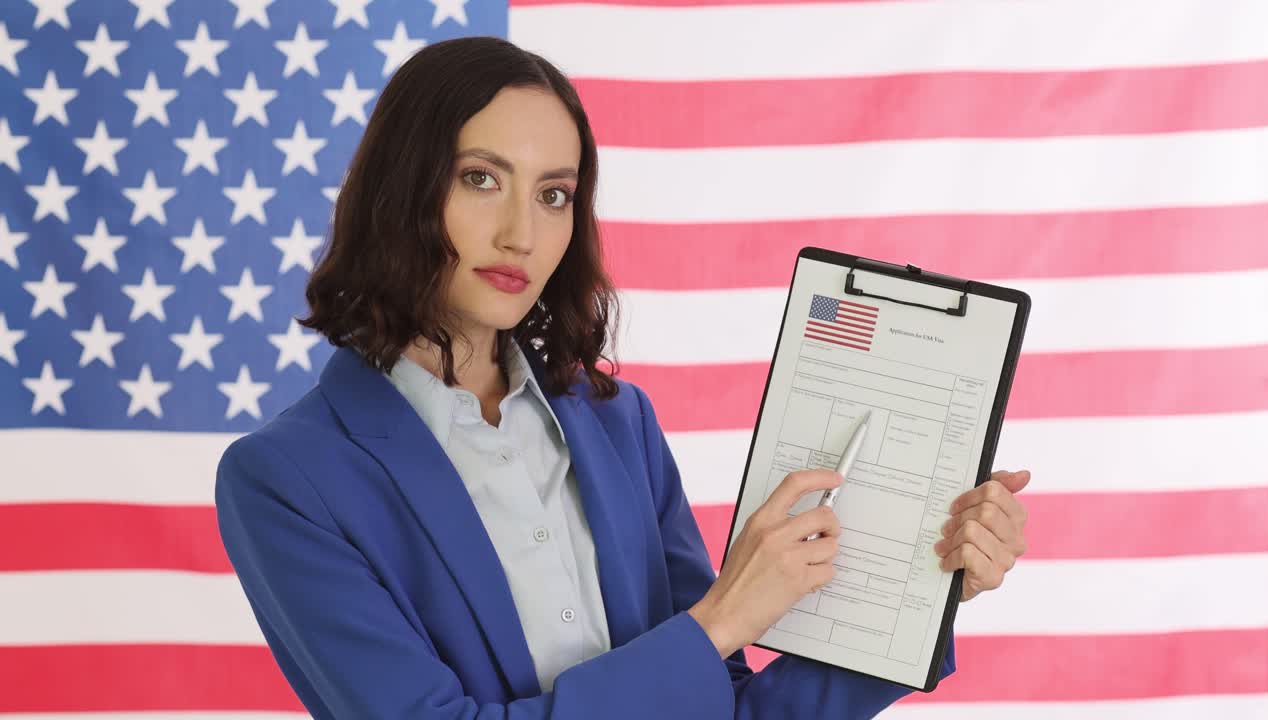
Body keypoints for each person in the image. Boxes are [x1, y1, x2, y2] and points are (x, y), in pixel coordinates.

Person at [214, 36, 1032, 720]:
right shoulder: (285, 479)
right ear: (403, 191)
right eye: (481, 178)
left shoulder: (619, 424)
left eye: (555, 194)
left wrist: (922, 593)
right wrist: (717, 624)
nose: (520, 233)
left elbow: (729, 709)